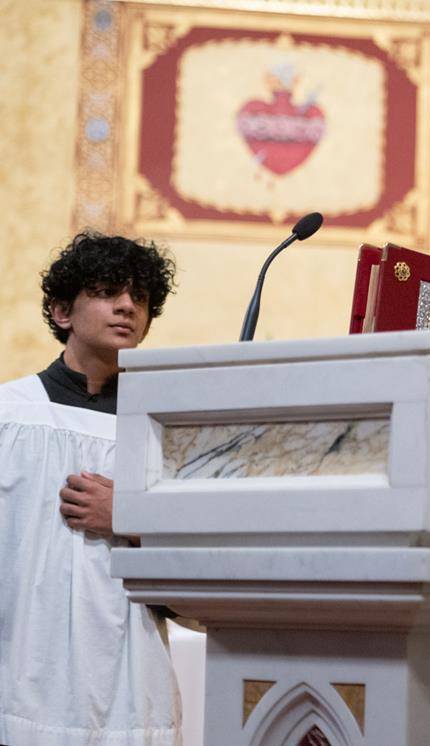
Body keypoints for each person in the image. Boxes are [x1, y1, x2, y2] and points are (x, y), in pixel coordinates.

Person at [0, 233, 181, 744]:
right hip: (21, 672)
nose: (127, 306)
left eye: (140, 297)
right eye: (106, 292)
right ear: (62, 312)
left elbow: (200, 566)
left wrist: (131, 517)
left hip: (132, 678)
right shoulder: (10, 415)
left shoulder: (164, 429)